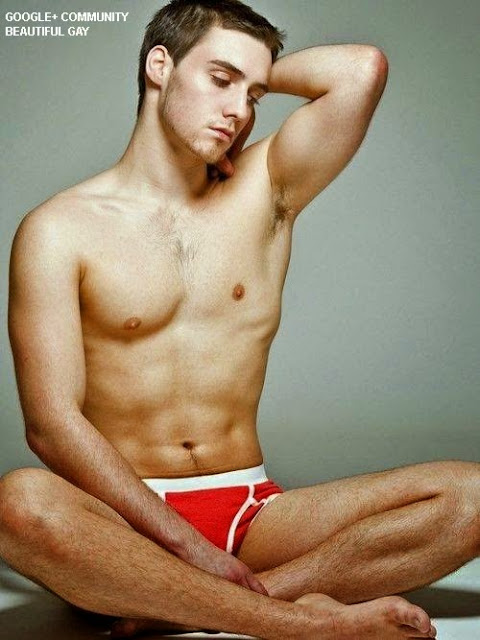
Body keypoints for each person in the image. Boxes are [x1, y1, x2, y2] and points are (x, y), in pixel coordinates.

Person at [1, 0, 478, 637]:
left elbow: (361, 69)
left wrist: (251, 75)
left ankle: (189, 604)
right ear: (159, 66)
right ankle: (302, 625)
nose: (239, 111)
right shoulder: (57, 230)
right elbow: (51, 426)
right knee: (20, 503)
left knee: (472, 497)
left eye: (253, 95)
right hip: (122, 523)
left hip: (253, 514)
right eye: (221, 79)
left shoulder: (266, 188)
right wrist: (186, 547)